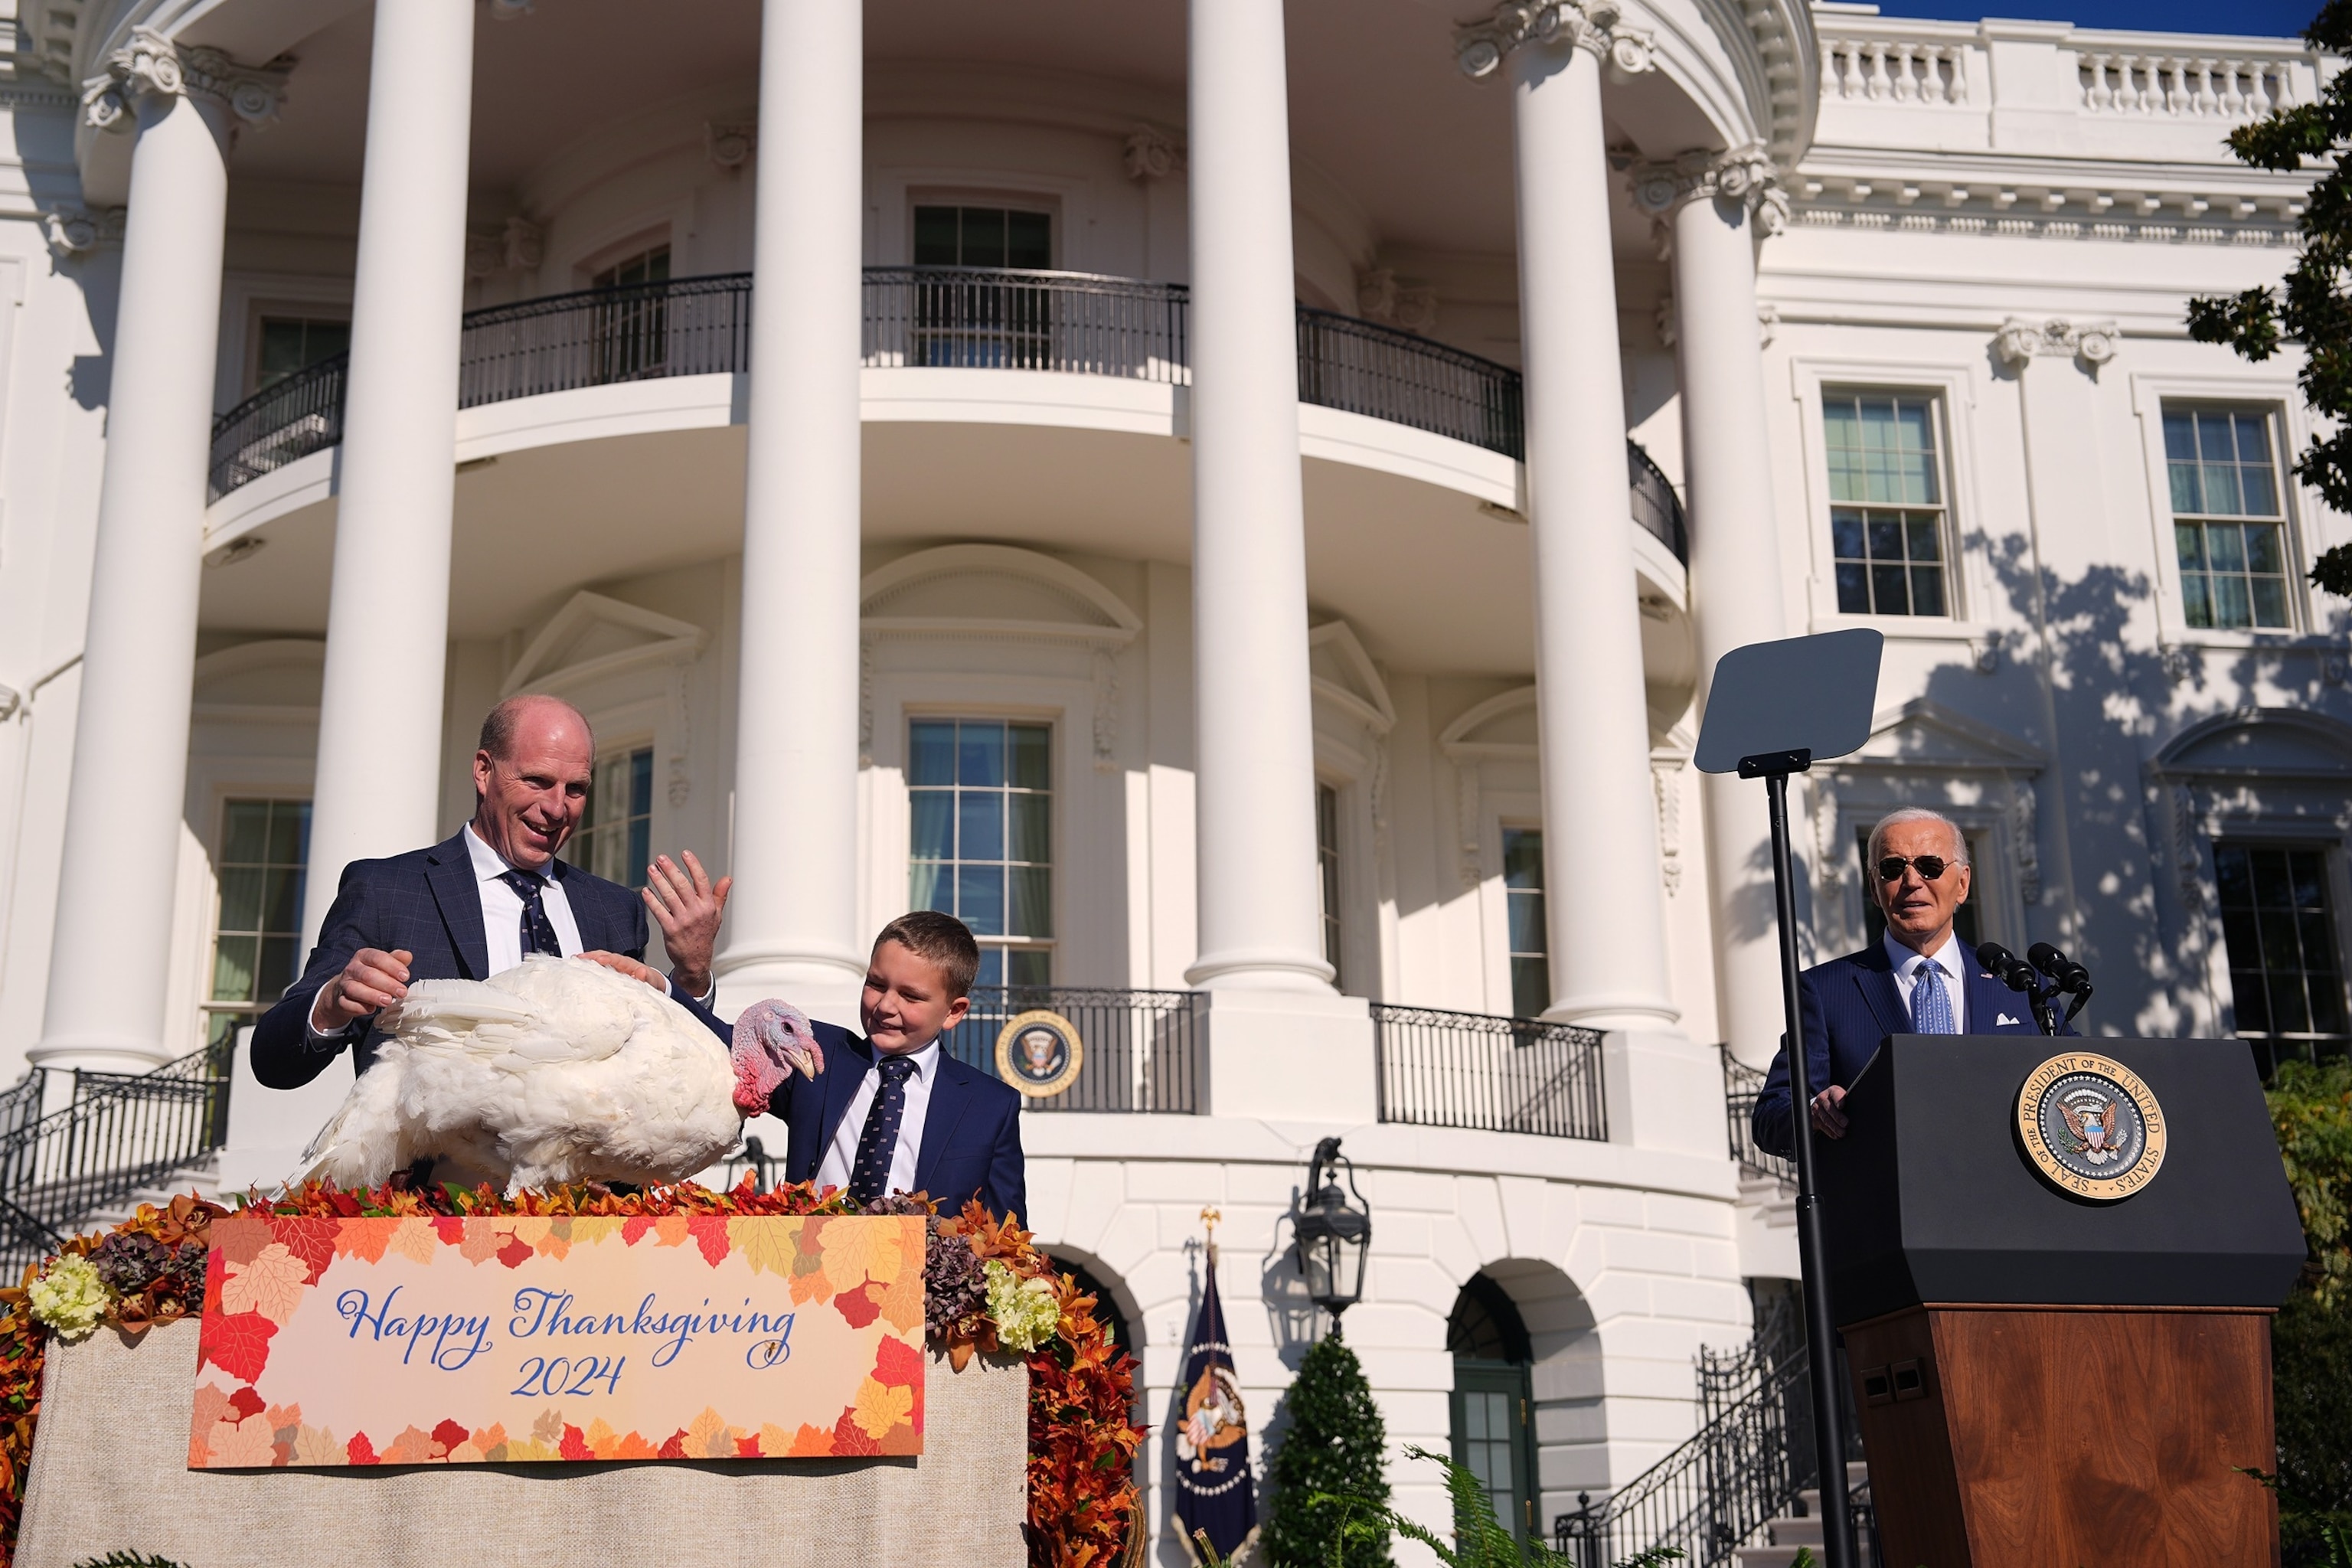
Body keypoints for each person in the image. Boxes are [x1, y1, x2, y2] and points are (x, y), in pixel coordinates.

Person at [250, 694, 732, 1089]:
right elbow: (274, 1063)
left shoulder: (612, 910)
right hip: (428, 1201)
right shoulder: (387, 890)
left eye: (576, 788)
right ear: (484, 772)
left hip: (587, 1202)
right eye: (538, 781)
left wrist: (691, 976)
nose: (557, 808)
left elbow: (660, 1063)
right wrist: (331, 1001)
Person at [1750, 806, 2065, 1158]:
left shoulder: (2021, 987)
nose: (1912, 882)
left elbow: (2078, 1081)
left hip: (2007, 1196)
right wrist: (1813, 1113)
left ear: (1962, 884)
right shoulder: (1824, 991)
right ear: (1874, 886)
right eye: (1892, 868)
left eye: (1930, 866)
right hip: (1890, 1201)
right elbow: (1770, 1117)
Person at [767, 910, 1027, 1222]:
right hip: (806, 1263)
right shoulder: (813, 1049)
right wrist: (695, 974)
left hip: (919, 1270)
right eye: (876, 984)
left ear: (953, 1012)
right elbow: (721, 1046)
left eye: (910, 996)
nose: (886, 1006)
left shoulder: (991, 1106)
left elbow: (1006, 1237)